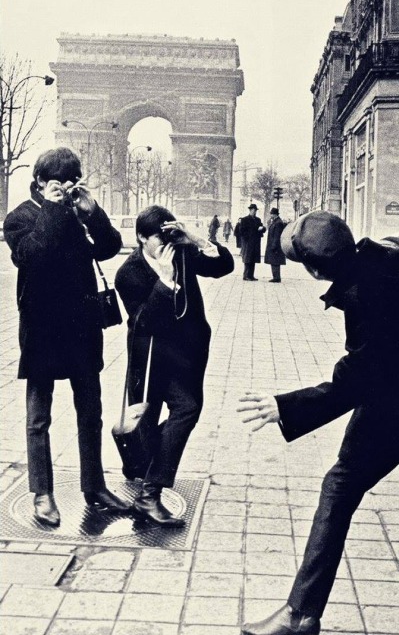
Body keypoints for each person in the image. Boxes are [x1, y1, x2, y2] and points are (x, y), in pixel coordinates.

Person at [238, 187, 399, 635]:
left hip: (394, 415)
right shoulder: (396, 251)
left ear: (319, 270)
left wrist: (283, 406)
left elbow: (352, 382)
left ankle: (300, 615)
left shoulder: (362, 299)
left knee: (338, 489)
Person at [4, 147, 131, 528]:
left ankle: (94, 486)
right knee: (38, 416)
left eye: (70, 180)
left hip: (81, 324)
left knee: (90, 410)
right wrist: (50, 209)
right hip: (42, 326)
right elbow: (31, 254)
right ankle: (43, 494)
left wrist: (93, 213)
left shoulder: (78, 213)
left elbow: (108, 248)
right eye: (55, 182)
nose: (63, 188)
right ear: (40, 182)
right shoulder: (20, 218)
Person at [115, 205, 234, 526]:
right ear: (141, 238)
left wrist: (194, 238)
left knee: (187, 409)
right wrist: (164, 283)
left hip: (187, 354)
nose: (166, 246)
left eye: (170, 237)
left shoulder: (179, 251)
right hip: (153, 358)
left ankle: (148, 487)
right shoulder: (129, 272)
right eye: (159, 239)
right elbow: (142, 322)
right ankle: (146, 480)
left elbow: (224, 266)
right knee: (152, 417)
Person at [240, 203, 266, 280]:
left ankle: (251, 275)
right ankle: (246, 276)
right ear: (250, 210)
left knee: (253, 259)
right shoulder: (244, 219)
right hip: (248, 243)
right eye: (253, 210)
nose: (255, 212)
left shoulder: (258, 220)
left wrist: (262, 228)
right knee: (247, 259)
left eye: (255, 210)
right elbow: (241, 231)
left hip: (256, 243)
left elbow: (262, 228)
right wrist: (247, 237)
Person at [264, 207, 286, 282]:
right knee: (274, 261)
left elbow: (277, 235)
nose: (271, 216)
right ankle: (276, 277)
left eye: (271, 214)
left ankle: (276, 278)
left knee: (275, 261)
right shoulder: (275, 222)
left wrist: (274, 246)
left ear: (275, 214)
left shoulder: (278, 223)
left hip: (275, 246)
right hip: (273, 245)